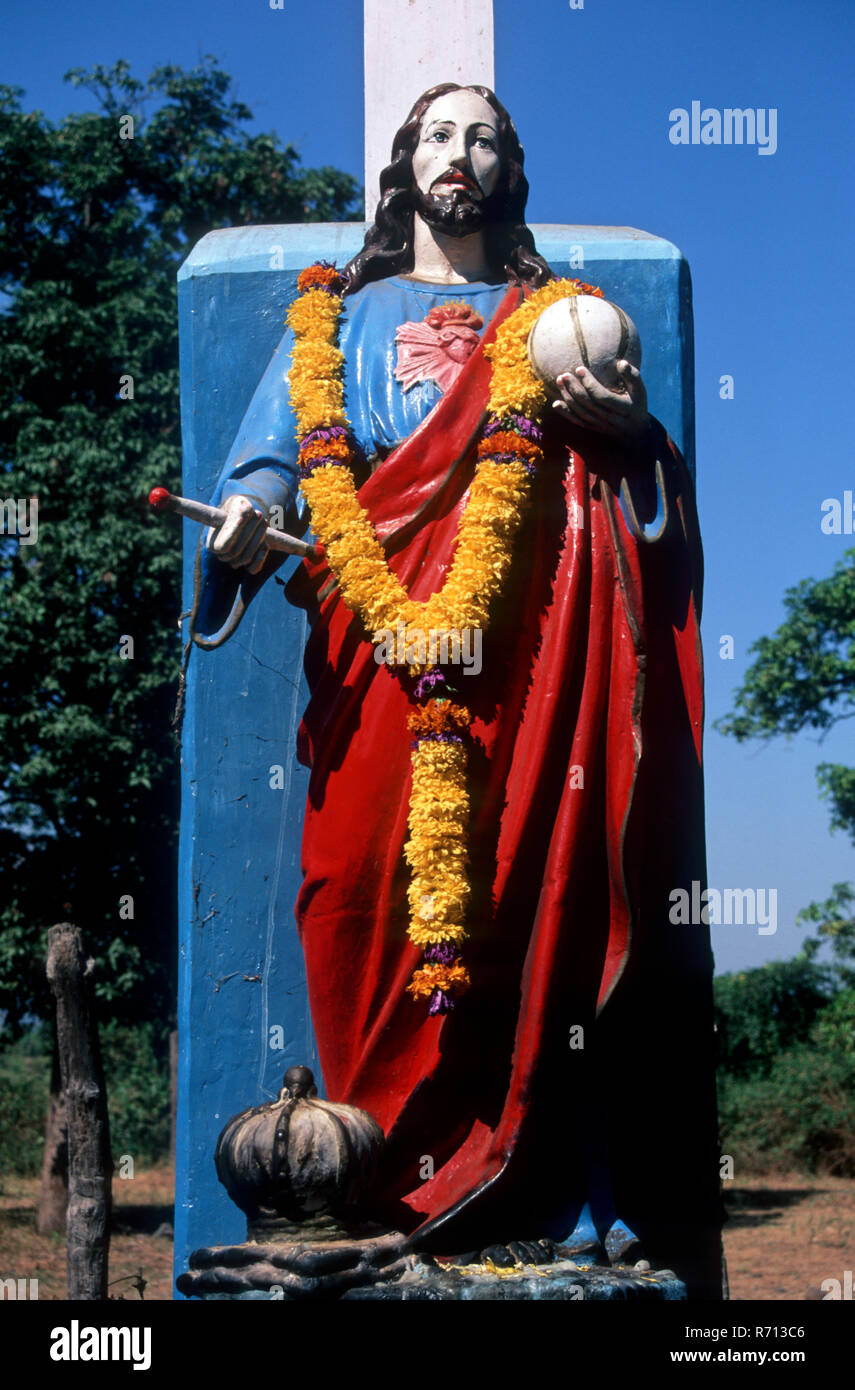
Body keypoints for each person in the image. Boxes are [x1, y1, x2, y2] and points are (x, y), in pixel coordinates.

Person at [194, 84, 723, 1297]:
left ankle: (534, 1182)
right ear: (404, 163)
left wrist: (631, 436)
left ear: (510, 169)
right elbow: (277, 461)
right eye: (439, 134)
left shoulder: (560, 318)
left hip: (531, 658)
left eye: (483, 137)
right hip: (373, 657)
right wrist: (247, 517)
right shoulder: (335, 323)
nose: (460, 156)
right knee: (357, 895)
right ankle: (376, 1169)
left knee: (538, 897)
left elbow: (637, 489)